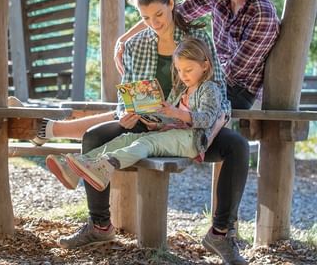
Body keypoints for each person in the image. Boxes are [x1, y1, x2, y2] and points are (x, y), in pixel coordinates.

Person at [38, 0, 249, 265]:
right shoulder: (136, 45)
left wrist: (198, 120)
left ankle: (221, 234)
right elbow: (127, 95)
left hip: (188, 127)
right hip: (143, 124)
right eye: (145, 17)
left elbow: (220, 91)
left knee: (238, 146)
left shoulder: (198, 40)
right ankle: (99, 225)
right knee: (93, 137)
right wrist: (125, 114)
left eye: (159, 14)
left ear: (172, 4)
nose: (154, 23)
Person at [114, 0, 280, 109]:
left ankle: (148, 113)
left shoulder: (261, 15)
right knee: (139, 108)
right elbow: (173, 13)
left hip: (236, 91)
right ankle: (135, 114)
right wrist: (125, 39)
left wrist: (188, 77)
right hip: (208, 75)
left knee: (160, 100)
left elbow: (231, 75)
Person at [47, 37, 224, 192]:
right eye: (179, 70)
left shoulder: (209, 88)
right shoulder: (183, 89)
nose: (183, 75)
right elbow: (174, 120)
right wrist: (155, 121)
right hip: (172, 134)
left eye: (188, 70)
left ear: (205, 65)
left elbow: (207, 119)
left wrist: (176, 112)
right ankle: (78, 166)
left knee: (145, 142)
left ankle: (106, 166)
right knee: (127, 138)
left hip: (192, 140)